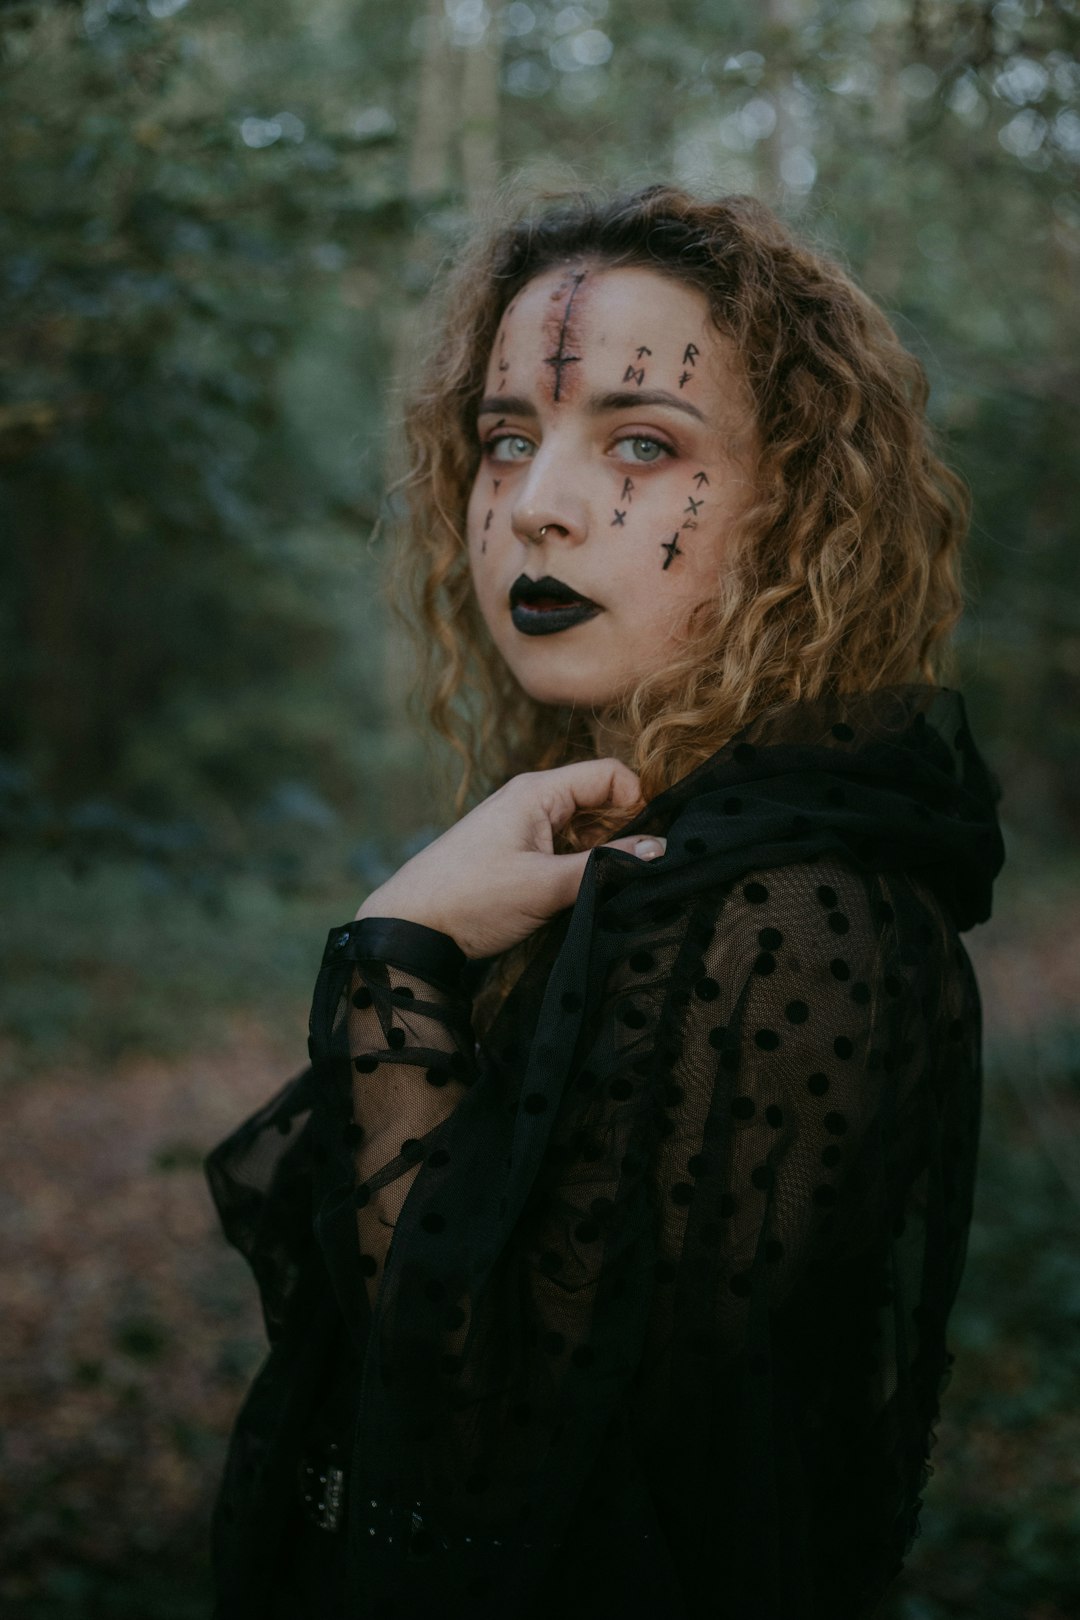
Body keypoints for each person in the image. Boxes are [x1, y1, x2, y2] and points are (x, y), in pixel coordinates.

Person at [205, 186, 1005, 1620]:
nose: (534, 504)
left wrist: (400, 960)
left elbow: (495, 1462)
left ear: (796, 511)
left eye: (643, 442)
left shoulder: (791, 919)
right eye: (506, 437)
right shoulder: (661, 848)